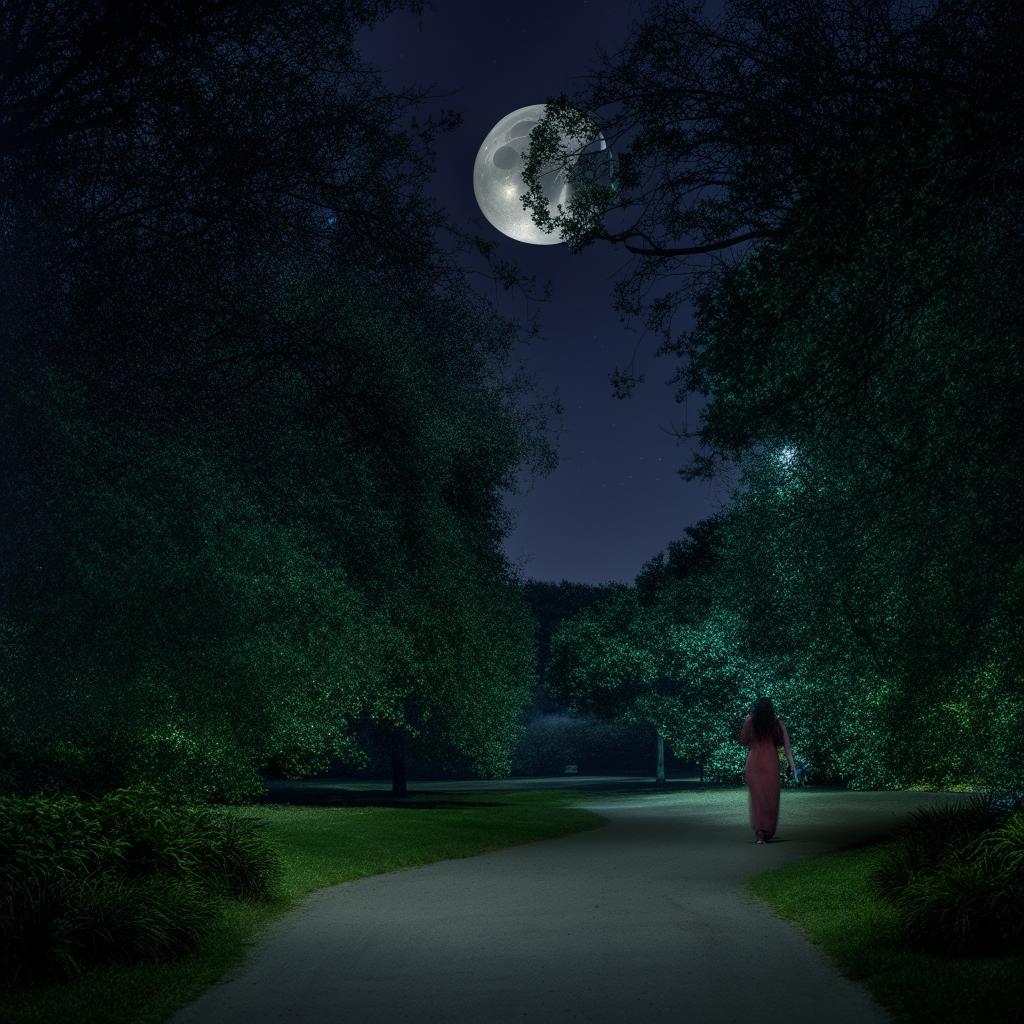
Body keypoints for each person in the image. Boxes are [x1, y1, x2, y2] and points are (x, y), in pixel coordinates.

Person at [739, 697, 797, 844]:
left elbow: (743, 741)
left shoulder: (750, 721)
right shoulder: (777, 724)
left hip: (754, 764)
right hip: (771, 763)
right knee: (770, 800)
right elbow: (787, 748)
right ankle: (766, 831)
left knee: (758, 799)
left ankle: (760, 834)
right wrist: (792, 765)